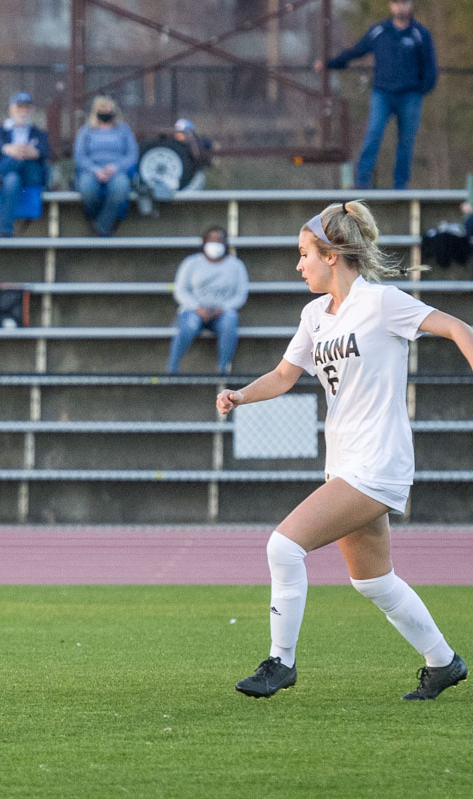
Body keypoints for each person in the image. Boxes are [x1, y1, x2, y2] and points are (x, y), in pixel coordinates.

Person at [217, 200, 472, 700]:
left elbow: (458, 327)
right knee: (374, 582)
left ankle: (280, 662)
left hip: (379, 460)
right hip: (345, 462)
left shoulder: (381, 302)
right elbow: (285, 375)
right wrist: (241, 395)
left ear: (332, 255)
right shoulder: (315, 314)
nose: (298, 264)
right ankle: (444, 663)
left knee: (283, 546)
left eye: (304, 253)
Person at [315, 0, 437, 190]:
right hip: (382, 94)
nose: (400, 7)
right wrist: (329, 64)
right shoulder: (379, 31)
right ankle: (362, 181)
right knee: (373, 134)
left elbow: (430, 67)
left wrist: (422, 89)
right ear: (391, 6)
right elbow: (355, 51)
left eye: (404, 3)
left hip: (410, 96)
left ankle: (400, 186)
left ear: (410, 5)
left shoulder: (420, 34)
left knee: (406, 141)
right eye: (396, 3)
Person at [166, 226, 249, 374]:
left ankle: (222, 369)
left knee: (230, 321)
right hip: (193, 311)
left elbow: (240, 294)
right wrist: (197, 307)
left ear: (225, 243)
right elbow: (181, 290)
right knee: (189, 325)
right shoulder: (191, 263)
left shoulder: (236, 265)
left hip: (222, 312)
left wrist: (222, 308)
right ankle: (172, 368)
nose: (215, 243)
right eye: (211, 239)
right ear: (204, 242)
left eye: (219, 239)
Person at [0, 92, 49, 237]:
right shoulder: (1, 130)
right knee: (11, 180)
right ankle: (5, 231)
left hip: (32, 174)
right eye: (19, 107)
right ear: (11, 109)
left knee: (18, 158)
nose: (23, 111)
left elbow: (44, 151)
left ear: (32, 110)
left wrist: (27, 152)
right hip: (11, 174)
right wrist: (9, 149)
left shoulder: (38, 132)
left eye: (26, 108)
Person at [73, 95, 138, 237]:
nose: (106, 111)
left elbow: (132, 155)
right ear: (95, 111)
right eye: (102, 108)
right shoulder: (86, 131)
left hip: (117, 170)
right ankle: (98, 220)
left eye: (109, 108)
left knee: (120, 188)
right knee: (87, 190)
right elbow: (79, 156)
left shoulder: (124, 130)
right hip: (91, 170)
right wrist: (95, 170)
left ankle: (100, 226)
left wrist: (116, 167)